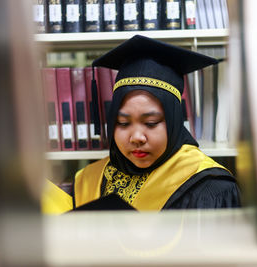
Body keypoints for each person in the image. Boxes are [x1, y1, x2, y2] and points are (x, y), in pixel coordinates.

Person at [42, 35, 241, 214]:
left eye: (151, 123)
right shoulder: (90, 180)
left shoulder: (209, 187)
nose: (136, 136)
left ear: (174, 122)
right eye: (123, 122)